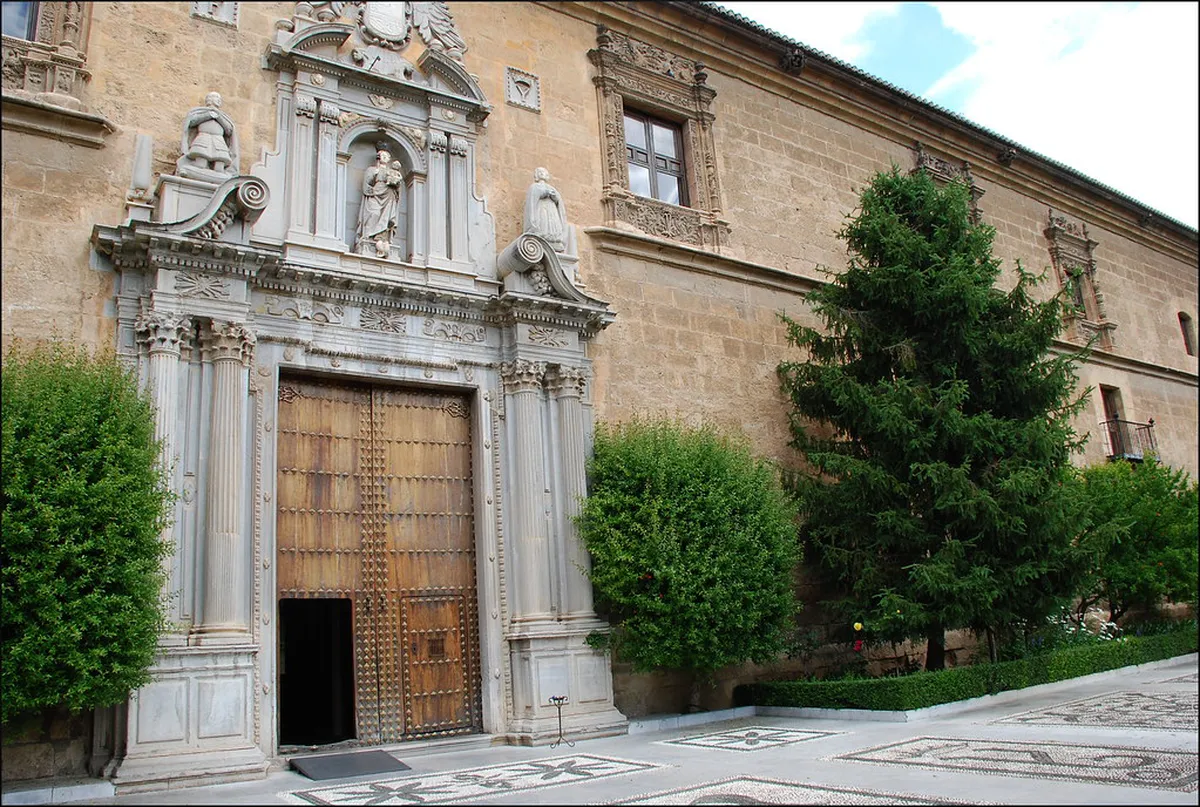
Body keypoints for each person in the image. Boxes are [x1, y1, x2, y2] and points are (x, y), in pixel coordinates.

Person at [356, 148, 403, 257]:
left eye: (388, 157)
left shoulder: (392, 171)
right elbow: (366, 184)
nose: (386, 158)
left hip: (389, 195)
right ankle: (368, 237)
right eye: (383, 156)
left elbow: (398, 186)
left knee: (387, 219)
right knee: (373, 214)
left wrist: (395, 184)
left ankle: (382, 239)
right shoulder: (372, 170)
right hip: (376, 194)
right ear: (378, 157)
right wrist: (371, 191)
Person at [181, 92, 235, 177]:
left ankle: (220, 177)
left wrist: (218, 117)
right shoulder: (200, 112)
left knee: (219, 166)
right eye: (213, 97)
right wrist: (208, 115)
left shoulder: (222, 116)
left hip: (219, 141)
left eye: (217, 98)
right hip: (203, 139)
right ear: (208, 100)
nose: (215, 100)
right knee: (201, 163)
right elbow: (192, 122)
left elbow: (228, 130)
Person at [523, 167, 567, 252]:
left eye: (544, 172)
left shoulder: (552, 188)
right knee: (543, 222)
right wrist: (544, 193)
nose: (542, 173)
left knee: (551, 225)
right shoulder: (534, 186)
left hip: (551, 209)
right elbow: (532, 199)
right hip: (541, 209)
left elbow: (558, 201)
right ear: (536, 175)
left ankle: (554, 239)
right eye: (540, 172)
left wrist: (554, 197)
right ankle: (541, 236)